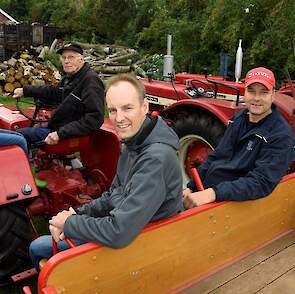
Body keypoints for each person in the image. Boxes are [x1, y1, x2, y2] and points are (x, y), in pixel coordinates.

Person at [29, 73, 183, 270]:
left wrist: (70, 224)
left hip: (145, 243)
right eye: (112, 110)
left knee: (38, 248)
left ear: (144, 107)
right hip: (136, 230)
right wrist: (76, 213)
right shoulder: (134, 143)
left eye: (127, 108)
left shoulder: (156, 158)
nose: (119, 118)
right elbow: (114, 195)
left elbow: (119, 232)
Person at [183, 67, 294, 209]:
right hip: (210, 192)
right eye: (251, 91)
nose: (256, 98)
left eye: (264, 92)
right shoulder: (239, 118)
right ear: (245, 93)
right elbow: (217, 156)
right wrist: (191, 187)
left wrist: (213, 194)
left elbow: (261, 183)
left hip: (231, 204)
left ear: (273, 95)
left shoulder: (280, 135)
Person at [13, 43, 105, 147]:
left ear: (81, 59)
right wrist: (25, 91)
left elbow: (94, 119)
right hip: (59, 127)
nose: (66, 61)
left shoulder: (91, 81)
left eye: (71, 57)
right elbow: (55, 92)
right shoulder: (71, 77)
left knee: (18, 136)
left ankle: (23, 162)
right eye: (64, 57)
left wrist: (60, 133)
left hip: (67, 134)